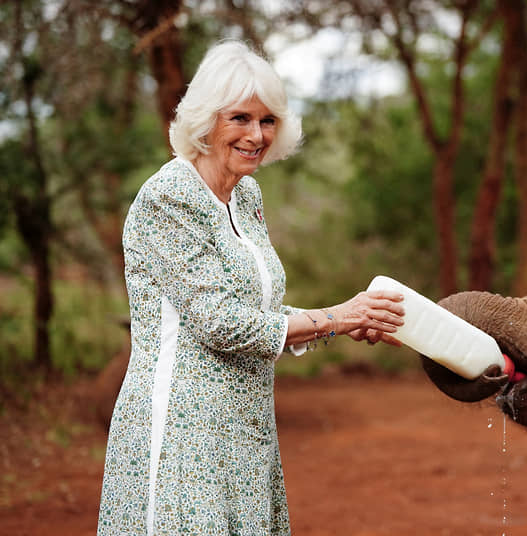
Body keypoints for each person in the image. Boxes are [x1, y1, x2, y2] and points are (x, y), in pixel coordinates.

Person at [97, 40, 405, 536]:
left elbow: (258, 308)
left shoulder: (245, 195)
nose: (256, 135)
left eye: (267, 121)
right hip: (183, 433)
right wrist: (337, 317)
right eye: (239, 118)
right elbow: (222, 322)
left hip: (246, 426)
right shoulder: (168, 197)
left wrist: (349, 322)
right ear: (205, 120)